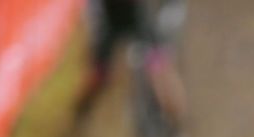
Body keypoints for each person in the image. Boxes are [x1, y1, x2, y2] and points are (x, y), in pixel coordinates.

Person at [73, 0, 188, 130]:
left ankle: (178, 123)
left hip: (137, 20)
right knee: (99, 75)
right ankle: (79, 113)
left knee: (161, 73)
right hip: (111, 22)